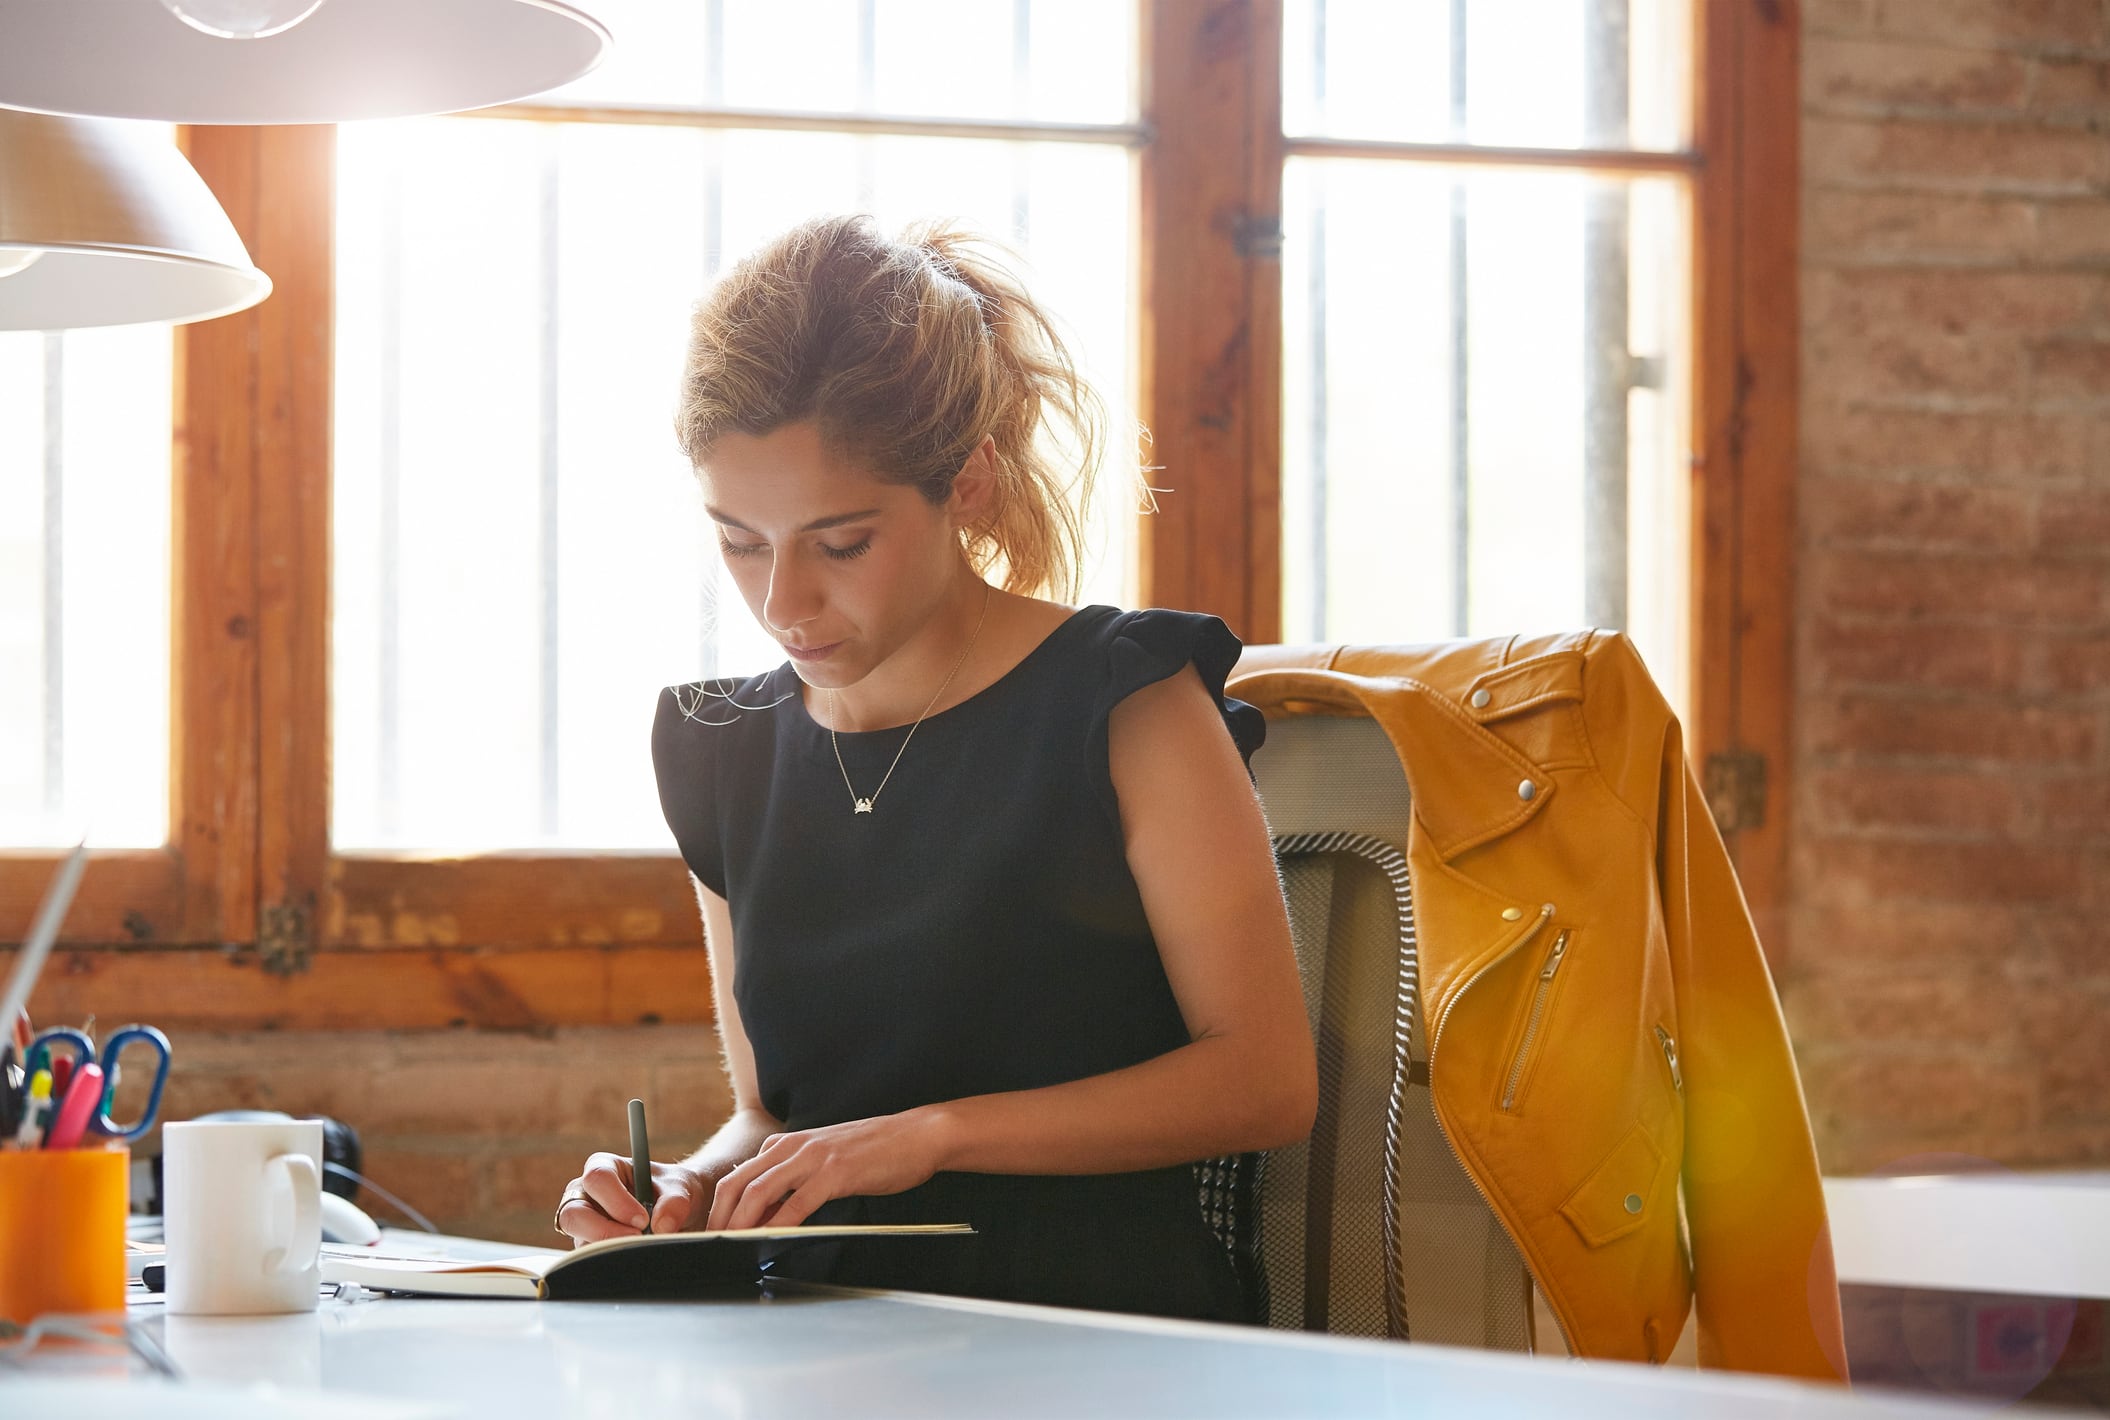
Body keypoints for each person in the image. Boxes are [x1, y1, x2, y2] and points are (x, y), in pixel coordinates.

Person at [555, 215, 1315, 1324]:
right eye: (740, 539)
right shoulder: (718, 748)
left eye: (842, 541)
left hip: (1093, 1335)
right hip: (812, 1343)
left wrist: (934, 1134)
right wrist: (683, 1187)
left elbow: (1264, 1080)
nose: (784, 602)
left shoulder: (1124, 700)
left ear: (967, 484)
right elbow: (771, 1112)